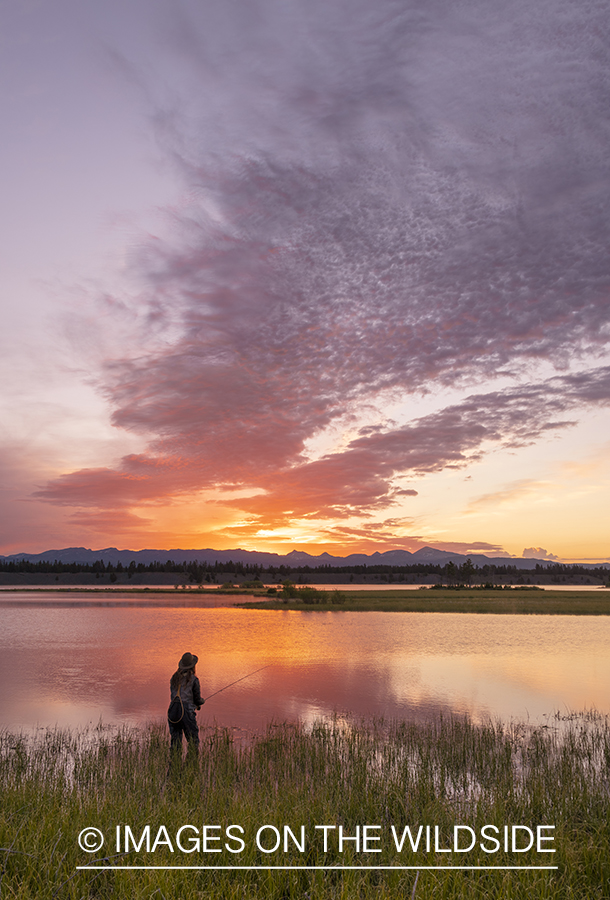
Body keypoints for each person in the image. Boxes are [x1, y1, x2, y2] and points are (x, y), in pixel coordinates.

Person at [168, 651, 204, 754]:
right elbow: (197, 699)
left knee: (175, 744)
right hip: (186, 713)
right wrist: (201, 702)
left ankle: (174, 765)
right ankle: (192, 765)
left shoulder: (174, 677)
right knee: (193, 742)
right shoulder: (194, 679)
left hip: (173, 711)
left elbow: (173, 695)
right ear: (192, 666)